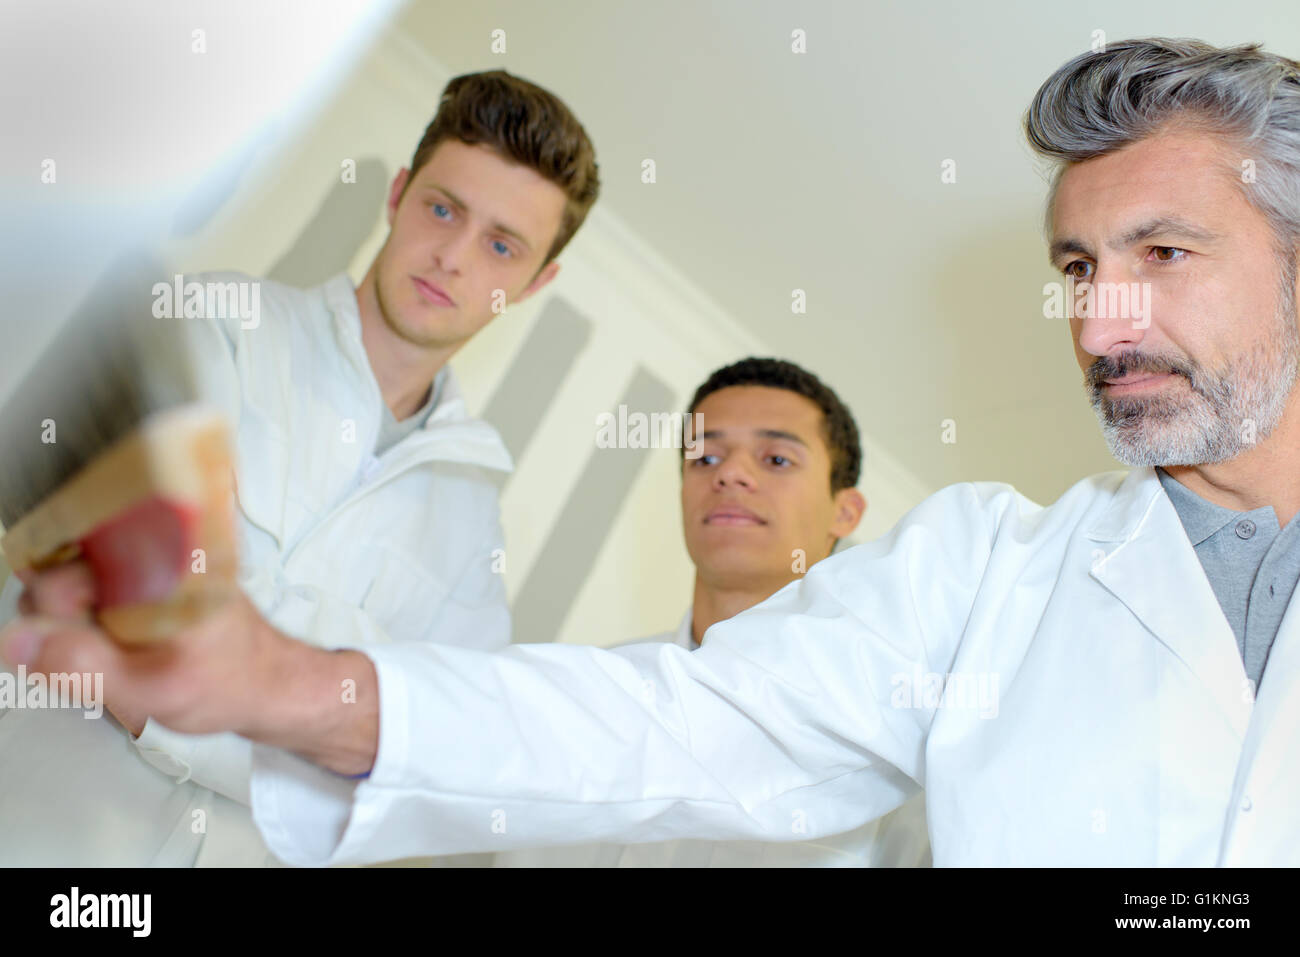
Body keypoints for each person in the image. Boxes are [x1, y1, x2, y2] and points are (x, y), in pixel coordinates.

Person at [7, 38, 1300, 866]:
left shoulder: (471, 501)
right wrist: (287, 682)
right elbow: (671, 720)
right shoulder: (984, 571)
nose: (1095, 318)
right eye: (1077, 266)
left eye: (1164, 255)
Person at [0, 69, 599, 866]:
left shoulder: (470, 532)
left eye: (500, 245)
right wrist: (326, 697)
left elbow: (413, 777)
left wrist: (198, 652)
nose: (453, 257)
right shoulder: (213, 329)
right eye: (442, 208)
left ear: (534, 282)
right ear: (397, 196)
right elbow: (98, 603)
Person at [497, 358, 930, 866]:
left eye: (775, 459)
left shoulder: (894, 745)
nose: (729, 473)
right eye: (704, 457)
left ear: (845, 511)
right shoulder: (588, 692)